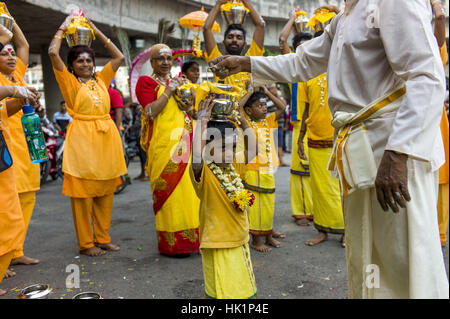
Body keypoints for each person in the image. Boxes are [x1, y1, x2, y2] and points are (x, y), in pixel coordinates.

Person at [209, 0, 449, 299]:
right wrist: (247, 64)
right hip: (364, 149)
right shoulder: (346, 15)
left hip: (392, 151)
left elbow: (427, 77)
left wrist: (398, 153)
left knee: (402, 257)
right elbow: (302, 62)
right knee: (370, 254)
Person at [48, 16, 127, 257]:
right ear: (72, 65)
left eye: (88, 60)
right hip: (82, 140)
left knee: (105, 191)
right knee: (82, 195)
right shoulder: (69, 82)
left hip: (106, 139)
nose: (85, 63)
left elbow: (119, 57)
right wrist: (62, 27)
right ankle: (86, 243)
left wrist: (95, 30)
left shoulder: (101, 80)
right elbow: (52, 53)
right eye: (80, 60)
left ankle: (102, 238)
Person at [190, 94, 258, 299]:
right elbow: (195, 155)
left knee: (242, 288)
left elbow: (253, 148)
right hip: (217, 242)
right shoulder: (204, 172)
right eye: (221, 147)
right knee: (222, 291)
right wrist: (202, 121)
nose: (229, 153)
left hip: (239, 238)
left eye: (232, 147)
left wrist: (243, 120)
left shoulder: (233, 167)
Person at [135, 43, 200, 257]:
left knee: (189, 192)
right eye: (159, 59)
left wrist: (185, 101)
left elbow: (188, 110)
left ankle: (193, 240)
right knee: (169, 194)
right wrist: (169, 91)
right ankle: (172, 244)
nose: (164, 62)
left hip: (184, 141)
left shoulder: (179, 82)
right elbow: (150, 111)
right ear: (152, 62)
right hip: (163, 146)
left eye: (168, 58)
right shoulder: (146, 82)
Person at [0, 6, 40, 267]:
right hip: (5, 144)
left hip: (23, 143)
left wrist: (8, 15)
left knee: (26, 198)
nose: (12, 56)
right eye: (4, 54)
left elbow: (22, 43)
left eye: (12, 54)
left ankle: (16, 251)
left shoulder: (17, 76)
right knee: (6, 203)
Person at [297, 67, 345, 248]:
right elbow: (306, 109)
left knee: (340, 187)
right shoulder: (307, 75)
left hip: (338, 138)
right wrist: (300, 138)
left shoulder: (341, 70)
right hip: (314, 139)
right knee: (318, 189)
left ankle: (345, 232)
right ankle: (322, 230)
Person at [279, 13, 314, 226]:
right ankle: (301, 211)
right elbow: (282, 41)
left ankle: (317, 210)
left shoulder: (323, 65)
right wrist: (292, 18)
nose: (304, 50)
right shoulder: (293, 65)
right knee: (300, 169)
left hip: (320, 122)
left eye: (308, 45)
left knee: (317, 169)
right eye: (300, 46)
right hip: (299, 121)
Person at [241, 88, 286, 252]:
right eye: (259, 106)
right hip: (253, 169)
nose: (264, 108)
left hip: (268, 169)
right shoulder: (246, 122)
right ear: (249, 110)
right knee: (256, 206)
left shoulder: (269, 121)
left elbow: (281, 106)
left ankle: (268, 235)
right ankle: (256, 240)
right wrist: (249, 92)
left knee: (268, 204)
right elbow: (238, 108)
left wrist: (267, 92)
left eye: (264, 105)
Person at [203, 0, 265, 96]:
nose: (234, 40)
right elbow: (206, 29)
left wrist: (245, 1)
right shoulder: (217, 60)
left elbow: (260, 25)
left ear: (244, 44)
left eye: (239, 38)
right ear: (223, 43)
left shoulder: (250, 59)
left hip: (246, 111)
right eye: (230, 37)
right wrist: (218, 3)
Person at [431, 0, 449, 248]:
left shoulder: (435, 52)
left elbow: (439, 34)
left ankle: (440, 234)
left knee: (440, 179)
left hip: (436, 123)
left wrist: (436, 9)